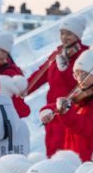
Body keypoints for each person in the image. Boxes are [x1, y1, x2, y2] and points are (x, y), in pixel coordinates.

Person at [48, 42, 93, 161]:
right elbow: (67, 113)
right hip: (77, 155)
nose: (80, 78)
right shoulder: (81, 92)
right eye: (77, 74)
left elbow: (86, 127)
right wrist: (49, 111)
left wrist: (66, 112)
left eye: (84, 74)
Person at [28, 18, 88, 154]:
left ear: (77, 35)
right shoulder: (57, 54)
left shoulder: (85, 55)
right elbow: (40, 75)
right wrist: (24, 89)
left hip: (71, 110)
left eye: (69, 33)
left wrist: (64, 70)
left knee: (71, 151)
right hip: (52, 111)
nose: (64, 37)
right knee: (53, 148)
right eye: (62, 33)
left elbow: (80, 85)